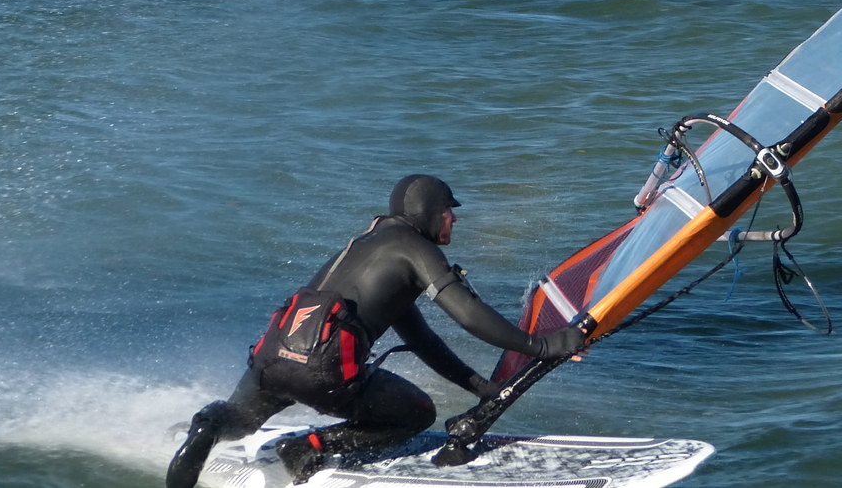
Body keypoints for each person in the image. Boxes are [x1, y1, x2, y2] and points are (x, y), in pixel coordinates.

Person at [167, 174, 586, 487]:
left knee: (236, 422)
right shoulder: (415, 249)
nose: (454, 218)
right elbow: (469, 314)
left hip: (272, 358)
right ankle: (308, 447)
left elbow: (421, 340)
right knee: (418, 413)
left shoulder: (363, 245)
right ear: (429, 213)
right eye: (449, 210)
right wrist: (543, 345)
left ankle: (207, 426)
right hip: (324, 370)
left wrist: (480, 387)